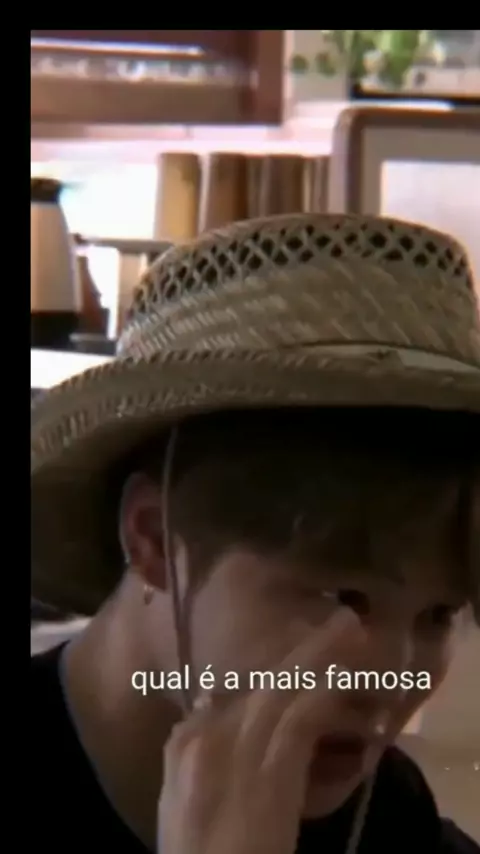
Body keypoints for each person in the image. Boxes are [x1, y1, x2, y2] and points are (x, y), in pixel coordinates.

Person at [31, 213, 480, 853]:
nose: (392, 678)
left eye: (438, 615)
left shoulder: (385, 814)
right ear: (154, 538)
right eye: (343, 598)